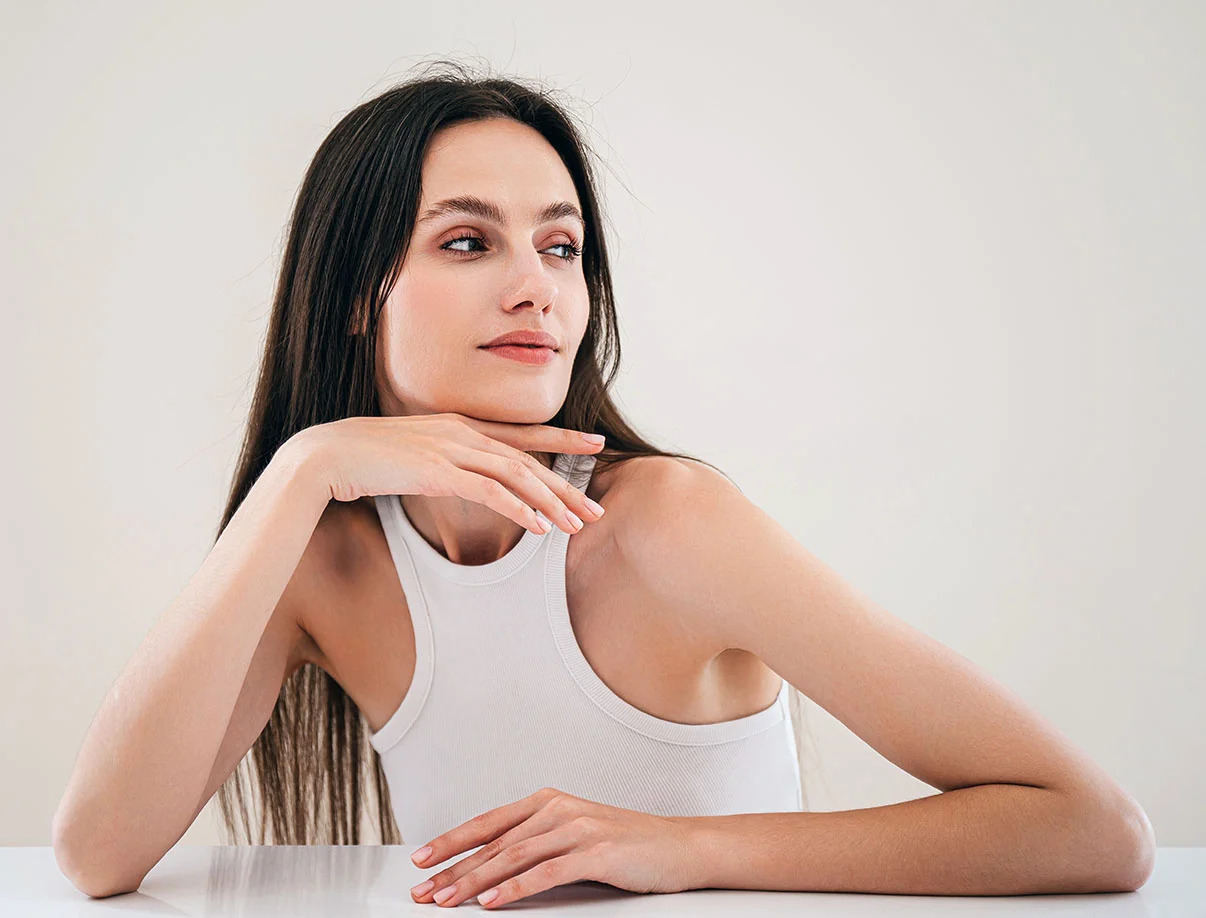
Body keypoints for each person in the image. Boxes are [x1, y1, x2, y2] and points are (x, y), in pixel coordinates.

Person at [52, 61, 1154, 905]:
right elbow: (98, 855)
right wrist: (302, 469)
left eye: (563, 246)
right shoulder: (325, 563)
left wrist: (681, 849)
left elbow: (1091, 829)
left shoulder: (668, 524)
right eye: (469, 243)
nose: (538, 289)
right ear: (353, 294)